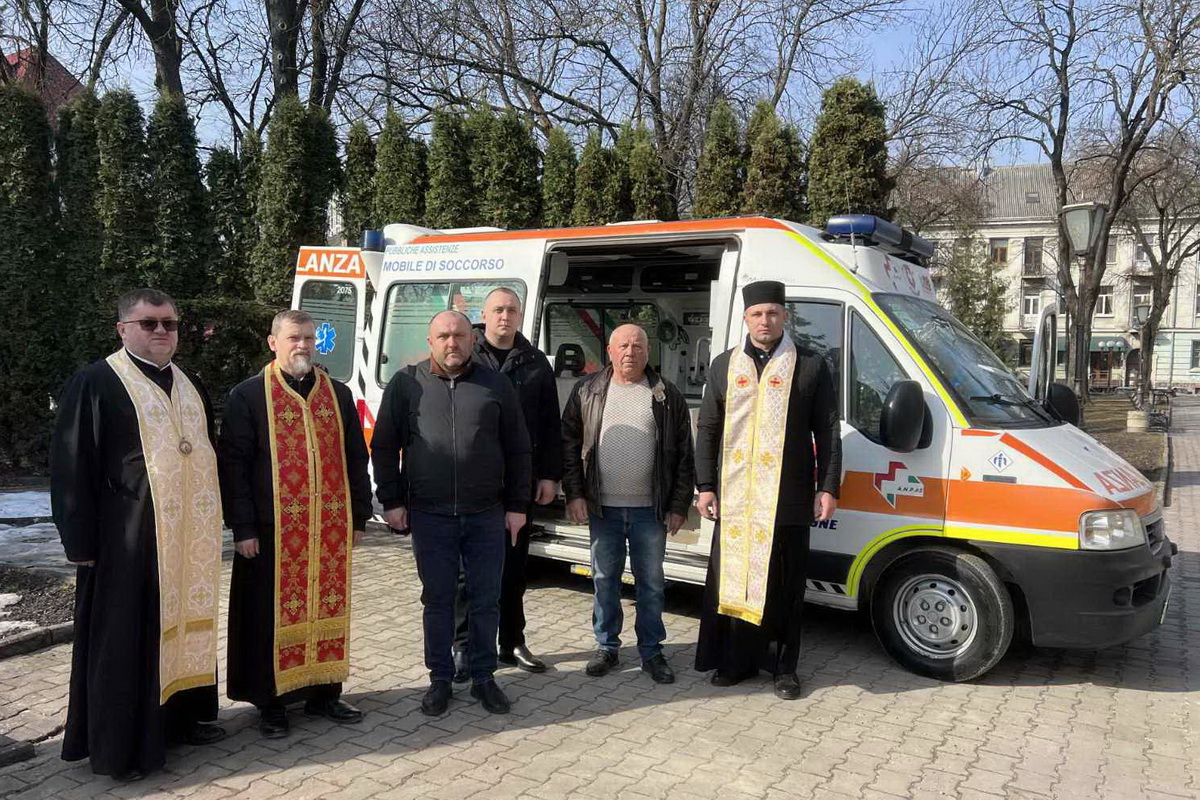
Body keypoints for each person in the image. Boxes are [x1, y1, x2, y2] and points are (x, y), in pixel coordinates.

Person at [50, 288, 225, 781]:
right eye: (149, 323)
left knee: (181, 627)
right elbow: (71, 463)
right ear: (123, 329)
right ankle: (122, 748)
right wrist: (79, 542)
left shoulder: (189, 382)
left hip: (185, 539)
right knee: (125, 640)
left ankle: (179, 721)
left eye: (170, 323)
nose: (162, 331)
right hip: (124, 540)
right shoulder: (97, 381)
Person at [217, 310, 372, 739]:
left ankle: (325, 692)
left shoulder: (337, 394)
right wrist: (243, 527)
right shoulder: (249, 395)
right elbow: (234, 467)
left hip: (328, 530)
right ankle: (272, 704)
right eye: (293, 338)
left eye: (308, 338)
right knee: (268, 617)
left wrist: (358, 516)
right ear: (273, 342)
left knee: (327, 608)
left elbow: (355, 457)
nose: (302, 345)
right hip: (271, 532)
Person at [372, 311, 532, 717]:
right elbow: (385, 446)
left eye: (459, 335)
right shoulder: (406, 384)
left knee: (486, 600)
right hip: (430, 515)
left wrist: (517, 506)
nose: (452, 342)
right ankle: (440, 679)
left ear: (472, 339)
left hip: (487, 514)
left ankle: (484, 678)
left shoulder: (495, 384)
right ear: (430, 342)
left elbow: (518, 448)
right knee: (438, 600)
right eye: (443, 336)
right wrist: (392, 501)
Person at [693, 280, 842, 700]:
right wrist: (705, 486)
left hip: (788, 498)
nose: (765, 321)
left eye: (773, 313)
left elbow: (827, 430)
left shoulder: (810, 365)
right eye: (757, 314)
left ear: (784, 317)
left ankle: (783, 667)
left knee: (785, 585)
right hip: (737, 498)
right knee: (733, 580)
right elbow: (708, 427)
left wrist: (828, 487)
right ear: (745, 318)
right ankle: (735, 662)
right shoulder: (725, 365)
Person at [561, 324, 695, 685]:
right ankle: (607, 647)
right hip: (601, 507)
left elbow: (684, 454)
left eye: (637, 346)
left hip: (650, 510)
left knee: (651, 583)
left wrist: (678, 505)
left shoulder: (666, 394)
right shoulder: (587, 390)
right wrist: (575, 493)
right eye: (623, 346)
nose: (630, 352)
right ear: (609, 350)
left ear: (648, 352)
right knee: (604, 580)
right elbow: (569, 445)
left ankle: (651, 651)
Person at [451, 287, 563, 680]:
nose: (504, 316)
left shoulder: (535, 362)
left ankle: (512, 641)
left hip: (519, 482)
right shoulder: (465, 355)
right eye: (498, 309)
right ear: (484, 314)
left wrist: (550, 475)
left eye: (512, 310)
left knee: (514, 568)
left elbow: (550, 423)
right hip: (473, 482)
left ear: (520, 315)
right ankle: (463, 647)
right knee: (467, 572)